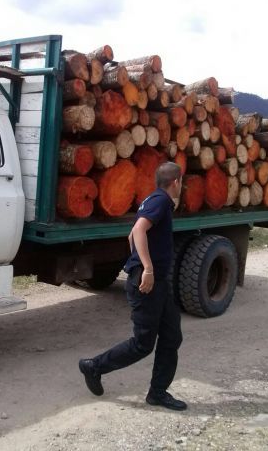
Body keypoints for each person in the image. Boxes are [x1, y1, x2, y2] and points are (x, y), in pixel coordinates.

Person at [79, 162, 186, 411]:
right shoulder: (160, 201)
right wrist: (145, 269)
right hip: (148, 283)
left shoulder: (155, 199)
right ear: (176, 182)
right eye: (182, 181)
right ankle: (93, 367)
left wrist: (139, 263)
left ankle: (157, 393)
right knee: (143, 344)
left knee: (172, 336)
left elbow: (131, 236)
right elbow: (138, 230)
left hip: (158, 283)